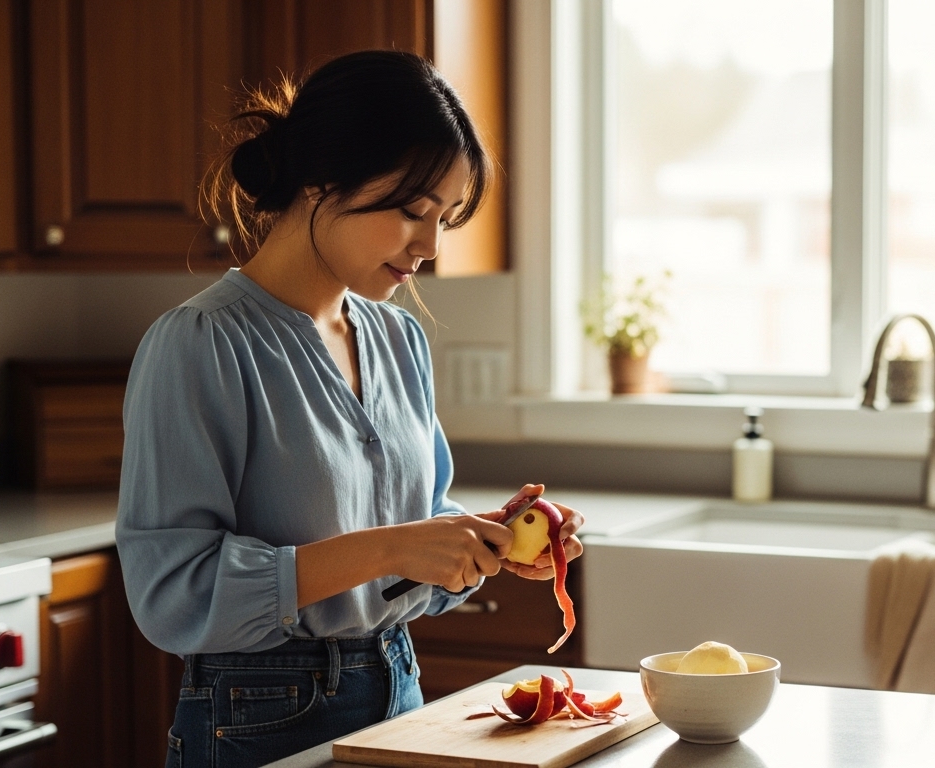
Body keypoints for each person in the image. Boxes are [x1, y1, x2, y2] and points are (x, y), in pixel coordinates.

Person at [115, 50, 584, 768]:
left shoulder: (398, 339)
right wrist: (394, 547)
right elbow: (172, 591)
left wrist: (476, 543)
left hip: (397, 692)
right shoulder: (200, 344)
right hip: (255, 716)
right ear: (321, 180)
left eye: (446, 219)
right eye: (412, 212)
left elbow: (407, 546)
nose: (429, 247)